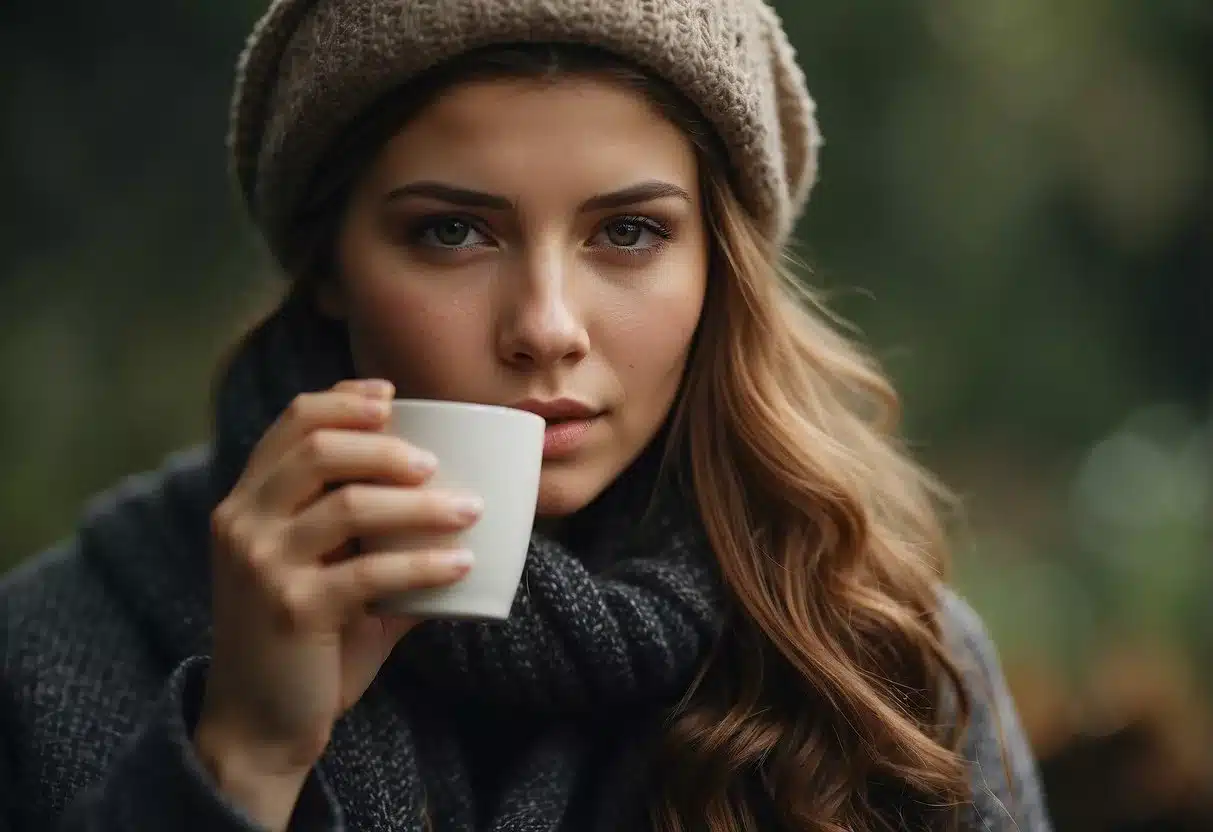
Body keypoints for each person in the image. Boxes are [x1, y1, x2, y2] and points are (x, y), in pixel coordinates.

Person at [0, 1, 1054, 830]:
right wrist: (242, 759)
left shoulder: (879, 664)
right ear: (328, 264)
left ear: (717, 271)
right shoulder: (52, 649)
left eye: (630, 232)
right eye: (453, 230)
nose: (545, 327)